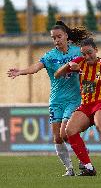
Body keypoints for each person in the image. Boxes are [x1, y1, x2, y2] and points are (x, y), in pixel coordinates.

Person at [7, 21, 90, 176]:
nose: (56, 40)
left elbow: (90, 66)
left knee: (67, 132)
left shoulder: (78, 52)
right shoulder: (50, 56)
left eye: (59, 36)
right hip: (56, 100)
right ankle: (69, 169)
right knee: (58, 138)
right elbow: (35, 67)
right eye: (54, 38)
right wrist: (21, 71)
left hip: (74, 99)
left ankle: (83, 156)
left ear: (66, 36)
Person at [54, 38, 101, 176]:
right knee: (69, 131)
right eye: (84, 54)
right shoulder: (79, 62)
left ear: (96, 50)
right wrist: (69, 65)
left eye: (89, 52)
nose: (87, 56)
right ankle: (88, 167)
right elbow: (57, 74)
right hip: (86, 105)